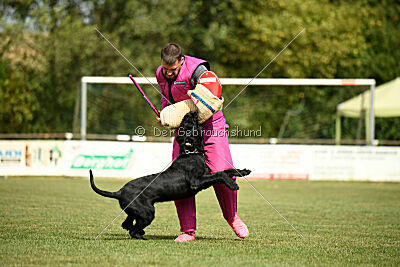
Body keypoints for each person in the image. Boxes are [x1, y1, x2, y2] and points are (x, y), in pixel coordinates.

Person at [156, 43, 248, 242]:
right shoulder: (160, 74)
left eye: (172, 70)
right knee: (180, 177)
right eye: (165, 69)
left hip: (211, 126)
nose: (168, 74)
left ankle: (232, 216)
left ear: (182, 61)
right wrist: (166, 116)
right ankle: (187, 231)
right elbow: (166, 99)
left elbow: (210, 96)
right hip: (186, 128)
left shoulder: (198, 70)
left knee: (221, 170)